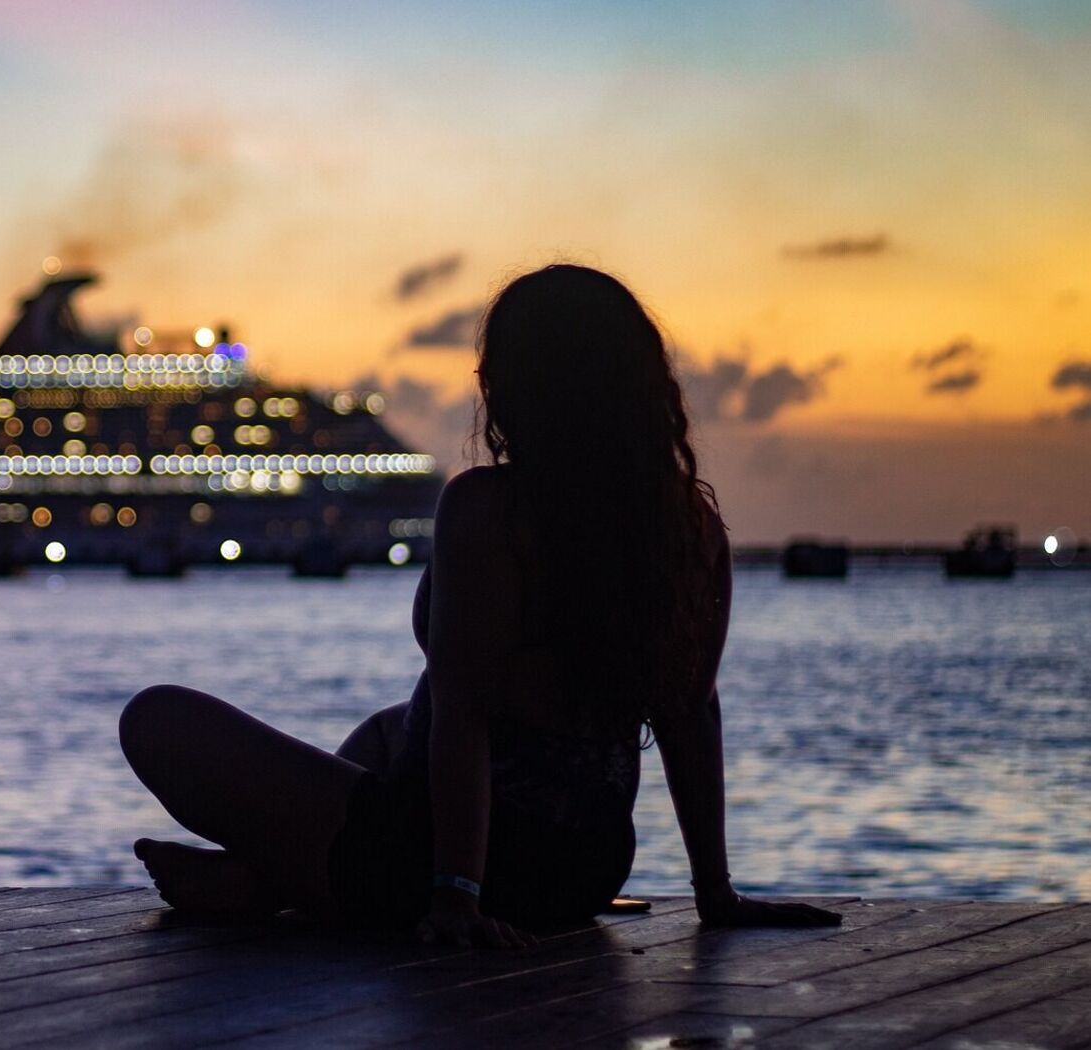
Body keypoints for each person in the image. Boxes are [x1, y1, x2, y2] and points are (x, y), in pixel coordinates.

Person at [120, 264, 842, 947]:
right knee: (388, 730)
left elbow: (464, 712)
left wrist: (455, 894)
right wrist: (715, 893)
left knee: (156, 717)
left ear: (515, 386)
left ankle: (266, 881)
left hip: (443, 858)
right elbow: (691, 713)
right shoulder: (691, 529)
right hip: (585, 866)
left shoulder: (489, 511)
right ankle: (266, 878)